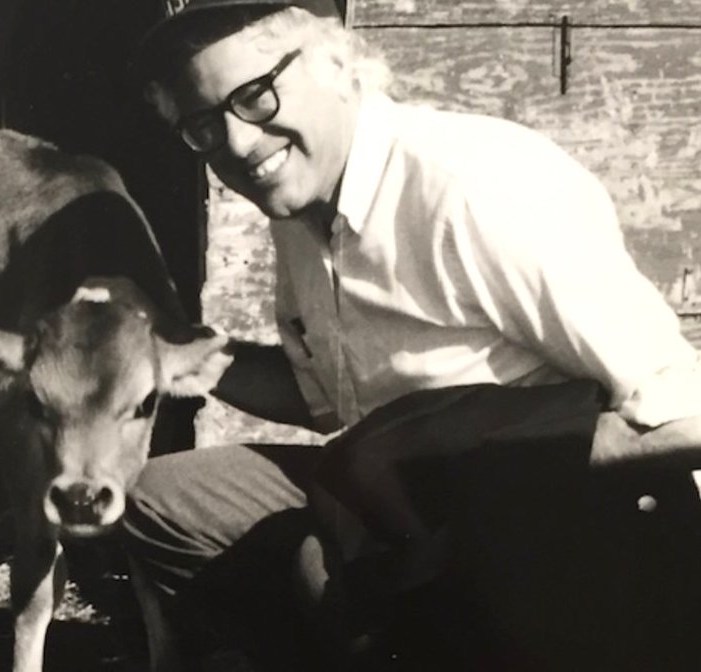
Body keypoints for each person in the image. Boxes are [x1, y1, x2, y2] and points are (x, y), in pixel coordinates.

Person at [122, 1, 701, 670]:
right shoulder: (301, 199)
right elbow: (331, 401)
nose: (238, 144)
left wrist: (451, 450)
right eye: (202, 125)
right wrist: (185, 355)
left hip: (556, 521)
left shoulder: (473, 188)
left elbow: (683, 407)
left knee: (324, 574)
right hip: (399, 501)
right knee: (168, 499)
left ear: (337, 64)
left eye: (254, 96)